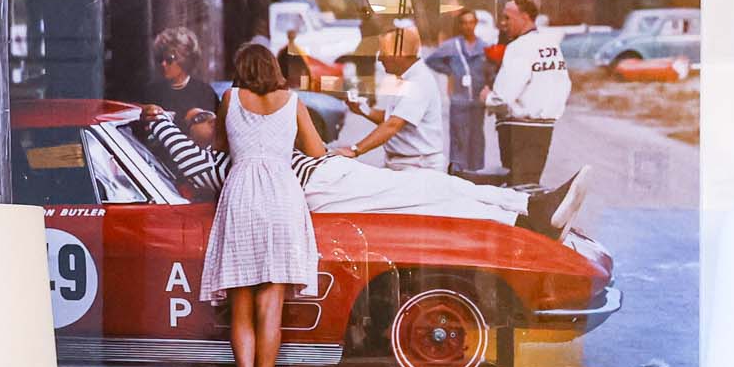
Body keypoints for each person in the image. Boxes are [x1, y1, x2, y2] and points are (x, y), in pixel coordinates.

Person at [141, 106, 588, 238]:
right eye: (200, 119)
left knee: (432, 184)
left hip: (327, 175)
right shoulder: (215, 163)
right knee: (427, 200)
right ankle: (524, 219)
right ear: (192, 135)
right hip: (319, 189)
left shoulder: (239, 146)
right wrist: (159, 121)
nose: (213, 118)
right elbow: (190, 164)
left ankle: (528, 205)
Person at [197, 42, 325, 367]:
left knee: (241, 305)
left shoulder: (231, 99)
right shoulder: (294, 102)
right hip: (282, 197)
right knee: (271, 308)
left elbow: (220, 146)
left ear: (241, 69)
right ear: (273, 68)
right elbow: (316, 150)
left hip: (242, 196)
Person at [486, 0, 572, 187]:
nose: (503, 23)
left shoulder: (518, 47)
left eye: (507, 18)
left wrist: (486, 98)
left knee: (516, 184)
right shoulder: (551, 45)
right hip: (545, 127)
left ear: (524, 17)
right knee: (530, 181)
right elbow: (564, 84)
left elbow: (502, 97)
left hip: (518, 128)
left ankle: (525, 206)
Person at [337, 21, 444, 171]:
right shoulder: (403, 78)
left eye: (383, 52)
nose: (379, 58)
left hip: (417, 167)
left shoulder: (418, 82)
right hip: (404, 163)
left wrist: (355, 150)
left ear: (400, 54)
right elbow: (392, 118)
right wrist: (363, 110)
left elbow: (393, 125)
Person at [425, 6, 493, 173]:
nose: (468, 26)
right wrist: (450, 71)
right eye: (464, 23)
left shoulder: (485, 47)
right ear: (460, 25)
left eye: (471, 22)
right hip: (459, 100)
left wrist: (489, 87)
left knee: (477, 138)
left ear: (476, 23)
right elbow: (431, 60)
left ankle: (476, 172)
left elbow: (491, 72)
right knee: (458, 137)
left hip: (477, 101)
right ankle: (457, 171)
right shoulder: (452, 45)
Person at [142, 25, 213, 123]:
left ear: (185, 59)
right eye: (160, 58)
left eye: (169, 59)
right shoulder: (151, 91)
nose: (163, 64)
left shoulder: (204, 92)